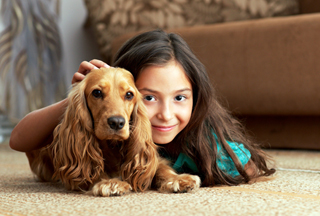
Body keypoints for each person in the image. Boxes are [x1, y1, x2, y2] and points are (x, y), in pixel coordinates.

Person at [10, 29, 275, 186]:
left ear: (196, 97)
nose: (166, 114)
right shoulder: (99, 119)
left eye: (180, 98)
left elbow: (248, 168)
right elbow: (18, 140)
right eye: (148, 98)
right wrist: (82, 94)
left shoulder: (202, 138)